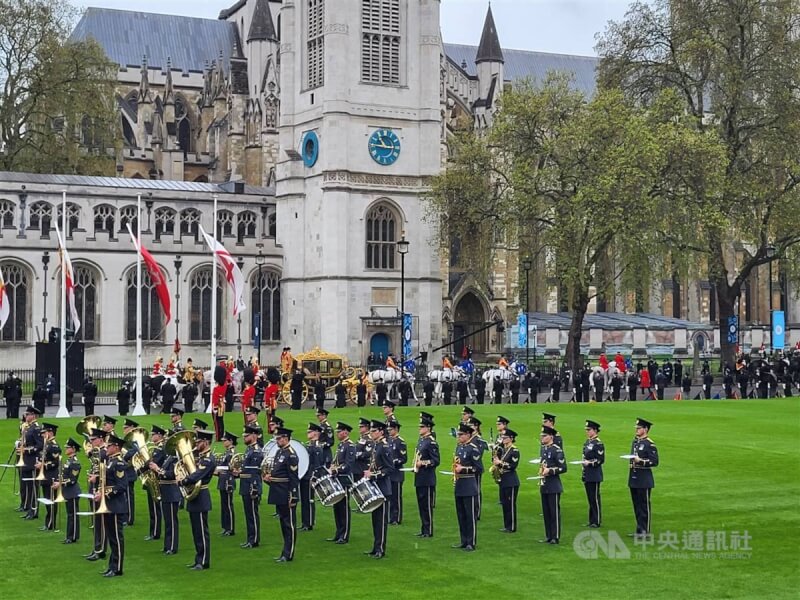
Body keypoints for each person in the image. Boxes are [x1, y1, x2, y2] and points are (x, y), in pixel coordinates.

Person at [181, 430, 216, 570]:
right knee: (196, 532)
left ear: (206, 442)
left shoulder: (208, 460)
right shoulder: (200, 457)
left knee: (202, 532)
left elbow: (196, 476)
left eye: (199, 442)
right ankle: (198, 559)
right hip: (195, 496)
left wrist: (183, 480)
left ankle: (204, 561)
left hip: (201, 496)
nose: (196, 444)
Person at [265, 427, 300, 562]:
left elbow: (293, 477)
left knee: (289, 524)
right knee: (282, 523)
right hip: (278, 491)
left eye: (279, 438)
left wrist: (294, 495)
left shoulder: (291, 454)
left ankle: (288, 553)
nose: (277, 440)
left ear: (286, 438)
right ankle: (284, 552)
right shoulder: (280, 452)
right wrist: (269, 477)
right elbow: (278, 472)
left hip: (286, 492)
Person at [363, 420, 394, 559]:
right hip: (375, 486)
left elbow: (389, 468)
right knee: (375, 519)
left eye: (374, 431)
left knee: (381, 520)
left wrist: (373, 474)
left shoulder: (384, 446)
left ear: (381, 432)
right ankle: (375, 547)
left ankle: (380, 548)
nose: (371, 433)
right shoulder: (377, 446)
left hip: (383, 487)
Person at [99, 434, 128, 577]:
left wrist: (105, 493)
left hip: (116, 506)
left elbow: (121, 486)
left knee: (116, 538)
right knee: (112, 538)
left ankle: (118, 568)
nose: (106, 447)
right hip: (110, 505)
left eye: (108, 445)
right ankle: (112, 565)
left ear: (116, 447)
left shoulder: (119, 463)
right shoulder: (110, 461)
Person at [628, 418, 659, 538]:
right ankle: (639, 529)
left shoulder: (649, 444)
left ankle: (645, 531)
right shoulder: (635, 442)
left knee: (644, 506)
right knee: (636, 505)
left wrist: (641, 461)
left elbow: (654, 462)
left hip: (644, 479)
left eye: (639, 428)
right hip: (634, 478)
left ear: (645, 429)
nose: (636, 430)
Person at [452, 423, 480, 551]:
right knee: (461, 515)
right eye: (458, 435)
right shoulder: (459, 447)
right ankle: (463, 540)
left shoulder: (473, 449)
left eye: (461, 435)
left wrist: (463, 469)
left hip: (469, 484)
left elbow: (478, 468)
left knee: (470, 515)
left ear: (468, 434)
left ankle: (471, 542)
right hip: (459, 484)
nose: (459, 437)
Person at [151, 435, 180, 555]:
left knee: (172, 521)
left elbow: (171, 474)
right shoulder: (169, 457)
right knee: (167, 521)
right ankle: (167, 545)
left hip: (172, 491)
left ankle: (172, 546)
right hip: (166, 491)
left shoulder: (176, 459)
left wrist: (157, 469)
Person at [539, 425, 567, 544]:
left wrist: (549, 471)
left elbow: (563, 468)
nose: (542, 438)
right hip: (544, 484)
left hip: (554, 485)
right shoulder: (544, 449)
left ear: (551, 436)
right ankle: (548, 535)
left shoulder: (557, 450)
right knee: (546, 512)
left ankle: (555, 536)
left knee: (554, 511)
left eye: (544, 436)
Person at [329, 422, 356, 544]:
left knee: (344, 507)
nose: (337, 434)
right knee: (337, 506)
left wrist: (336, 469)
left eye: (339, 432)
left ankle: (344, 534)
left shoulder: (350, 446)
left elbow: (348, 465)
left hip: (344, 479)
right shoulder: (341, 445)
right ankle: (338, 532)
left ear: (345, 432)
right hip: (337, 479)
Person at [237, 424, 264, 548]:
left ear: (254, 436)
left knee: (252, 514)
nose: (244, 438)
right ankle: (250, 538)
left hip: (251, 486)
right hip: (245, 485)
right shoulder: (249, 449)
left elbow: (255, 471)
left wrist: (254, 488)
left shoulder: (257, 451)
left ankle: (254, 539)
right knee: (248, 514)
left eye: (246, 436)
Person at [414, 413, 439, 537]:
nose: (420, 429)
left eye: (422, 427)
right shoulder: (422, 441)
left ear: (428, 428)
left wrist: (422, 463)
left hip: (427, 478)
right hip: (419, 477)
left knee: (426, 506)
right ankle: (423, 528)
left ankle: (428, 530)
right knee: (421, 504)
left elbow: (436, 461)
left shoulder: (431, 442)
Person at [18, 406, 43, 520]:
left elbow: (40, 445)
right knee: (27, 486)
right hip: (27, 460)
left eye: (28, 414)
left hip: (33, 460)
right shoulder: (28, 427)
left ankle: (34, 510)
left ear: (33, 415)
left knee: (33, 487)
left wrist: (27, 450)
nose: (26, 416)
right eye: (26, 414)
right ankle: (29, 509)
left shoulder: (36, 428)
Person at [57, 437, 83, 544]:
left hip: (72, 492)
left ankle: (72, 537)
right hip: (68, 492)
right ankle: (69, 535)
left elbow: (72, 480)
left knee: (73, 515)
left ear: (73, 449)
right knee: (70, 515)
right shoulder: (69, 461)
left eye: (68, 448)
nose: (66, 449)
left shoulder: (75, 463)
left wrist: (60, 483)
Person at [494, 428, 520, 533]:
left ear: (511, 438)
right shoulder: (503, 449)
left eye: (505, 438)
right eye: (502, 437)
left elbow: (512, 466)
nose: (503, 439)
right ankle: (506, 525)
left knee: (510, 504)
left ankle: (512, 526)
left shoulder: (514, 450)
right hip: (503, 479)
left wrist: (499, 463)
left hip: (511, 480)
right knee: (505, 504)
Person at [300, 423, 324, 532]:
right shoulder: (309, 445)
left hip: (310, 477)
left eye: (310, 432)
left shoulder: (317, 447)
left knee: (309, 500)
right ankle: (305, 522)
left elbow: (317, 465)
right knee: (304, 500)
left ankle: (309, 523)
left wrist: (314, 478)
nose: (307, 433)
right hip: (305, 476)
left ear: (316, 433)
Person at [37, 422, 61, 531]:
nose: (42, 435)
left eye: (44, 432)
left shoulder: (54, 446)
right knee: (47, 500)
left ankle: (51, 523)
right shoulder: (47, 444)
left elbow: (55, 463)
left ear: (50, 432)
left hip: (51, 476)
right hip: (46, 476)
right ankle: (48, 523)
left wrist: (43, 465)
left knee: (51, 501)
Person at [144, 425, 166, 542]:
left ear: (159, 435)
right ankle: (152, 531)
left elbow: (154, 462)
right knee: (152, 508)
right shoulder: (156, 448)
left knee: (155, 507)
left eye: (153, 434)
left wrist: (143, 465)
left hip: (157, 480)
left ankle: (155, 532)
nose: (152, 436)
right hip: (153, 479)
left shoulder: (161, 448)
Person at [581, 420, 604, 528]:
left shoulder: (598, 443)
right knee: (590, 498)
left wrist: (589, 463)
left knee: (594, 497)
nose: (587, 432)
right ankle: (592, 520)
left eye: (589, 430)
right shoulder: (588, 442)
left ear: (595, 430)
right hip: (587, 473)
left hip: (594, 474)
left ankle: (597, 520)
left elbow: (600, 460)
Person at [215, 431, 238, 537]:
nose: (223, 442)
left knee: (228, 505)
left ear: (231, 441)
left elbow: (231, 467)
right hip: (223, 480)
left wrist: (217, 468)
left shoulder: (232, 453)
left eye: (225, 441)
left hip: (228, 480)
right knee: (224, 505)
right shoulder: (227, 452)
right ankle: (225, 527)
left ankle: (230, 528)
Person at [387, 421, 408, 525]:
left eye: (391, 429)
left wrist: (394, 461)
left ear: (396, 429)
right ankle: (391, 516)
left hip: (397, 473)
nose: (389, 431)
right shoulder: (389, 440)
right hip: (390, 473)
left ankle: (397, 517)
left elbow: (404, 458)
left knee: (396, 497)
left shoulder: (400, 442)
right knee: (390, 496)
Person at [353, 418, 373, 483]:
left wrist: (357, 454)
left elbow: (368, 453)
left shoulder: (370, 439)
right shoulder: (361, 438)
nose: (360, 428)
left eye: (362, 427)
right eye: (359, 426)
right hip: (356, 467)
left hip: (363, 467)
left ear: (367, 427)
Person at [211, 366, 227, 440]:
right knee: (221, 421)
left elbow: (215, 399)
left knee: (216, 423)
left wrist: (214, 407)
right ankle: (221, 434)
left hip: (217, 406)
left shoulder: (216, 388)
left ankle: (218, 436)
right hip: (222, 405)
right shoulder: (224, 386)